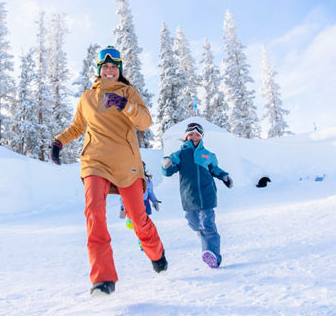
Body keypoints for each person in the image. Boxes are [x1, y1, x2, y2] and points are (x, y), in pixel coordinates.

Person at [50, 46, 167, 296]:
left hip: (126, 163)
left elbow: (145, 122)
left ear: (119, 70)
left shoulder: (129, 92)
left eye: (114, 67)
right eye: (105, 67)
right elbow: (77, 127)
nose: (110, 70)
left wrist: (126, 105)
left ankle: (156, 251)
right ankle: (103, 279)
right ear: (99, 71)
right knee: (93, 212)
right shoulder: (87, 98)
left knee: (138, 219)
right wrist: (59, 141)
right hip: (95, 161)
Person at [161, 122, 233, 268]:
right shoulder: (180, 154)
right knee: (193, 221)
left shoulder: (208, 154)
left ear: (201, 137)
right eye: (191, 134)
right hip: (189, 196)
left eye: (197, 135)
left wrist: (224, 176)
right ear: (186, 137)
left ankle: (213, 255)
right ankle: (201, 232)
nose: (194, 137)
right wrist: (166, 164)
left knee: (207, 224)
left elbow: (215, 169)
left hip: (207, 194)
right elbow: (168, 171)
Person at [119, 161, 161, 251]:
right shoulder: (129, 180)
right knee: (134, 225)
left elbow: (150, 193)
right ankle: (130, 222)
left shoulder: (147, 181)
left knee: (142, 226)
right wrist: (122, 208)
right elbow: (123, 195)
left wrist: (154, 201)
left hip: (144, 205)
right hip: (132, 205)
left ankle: (142, 243)